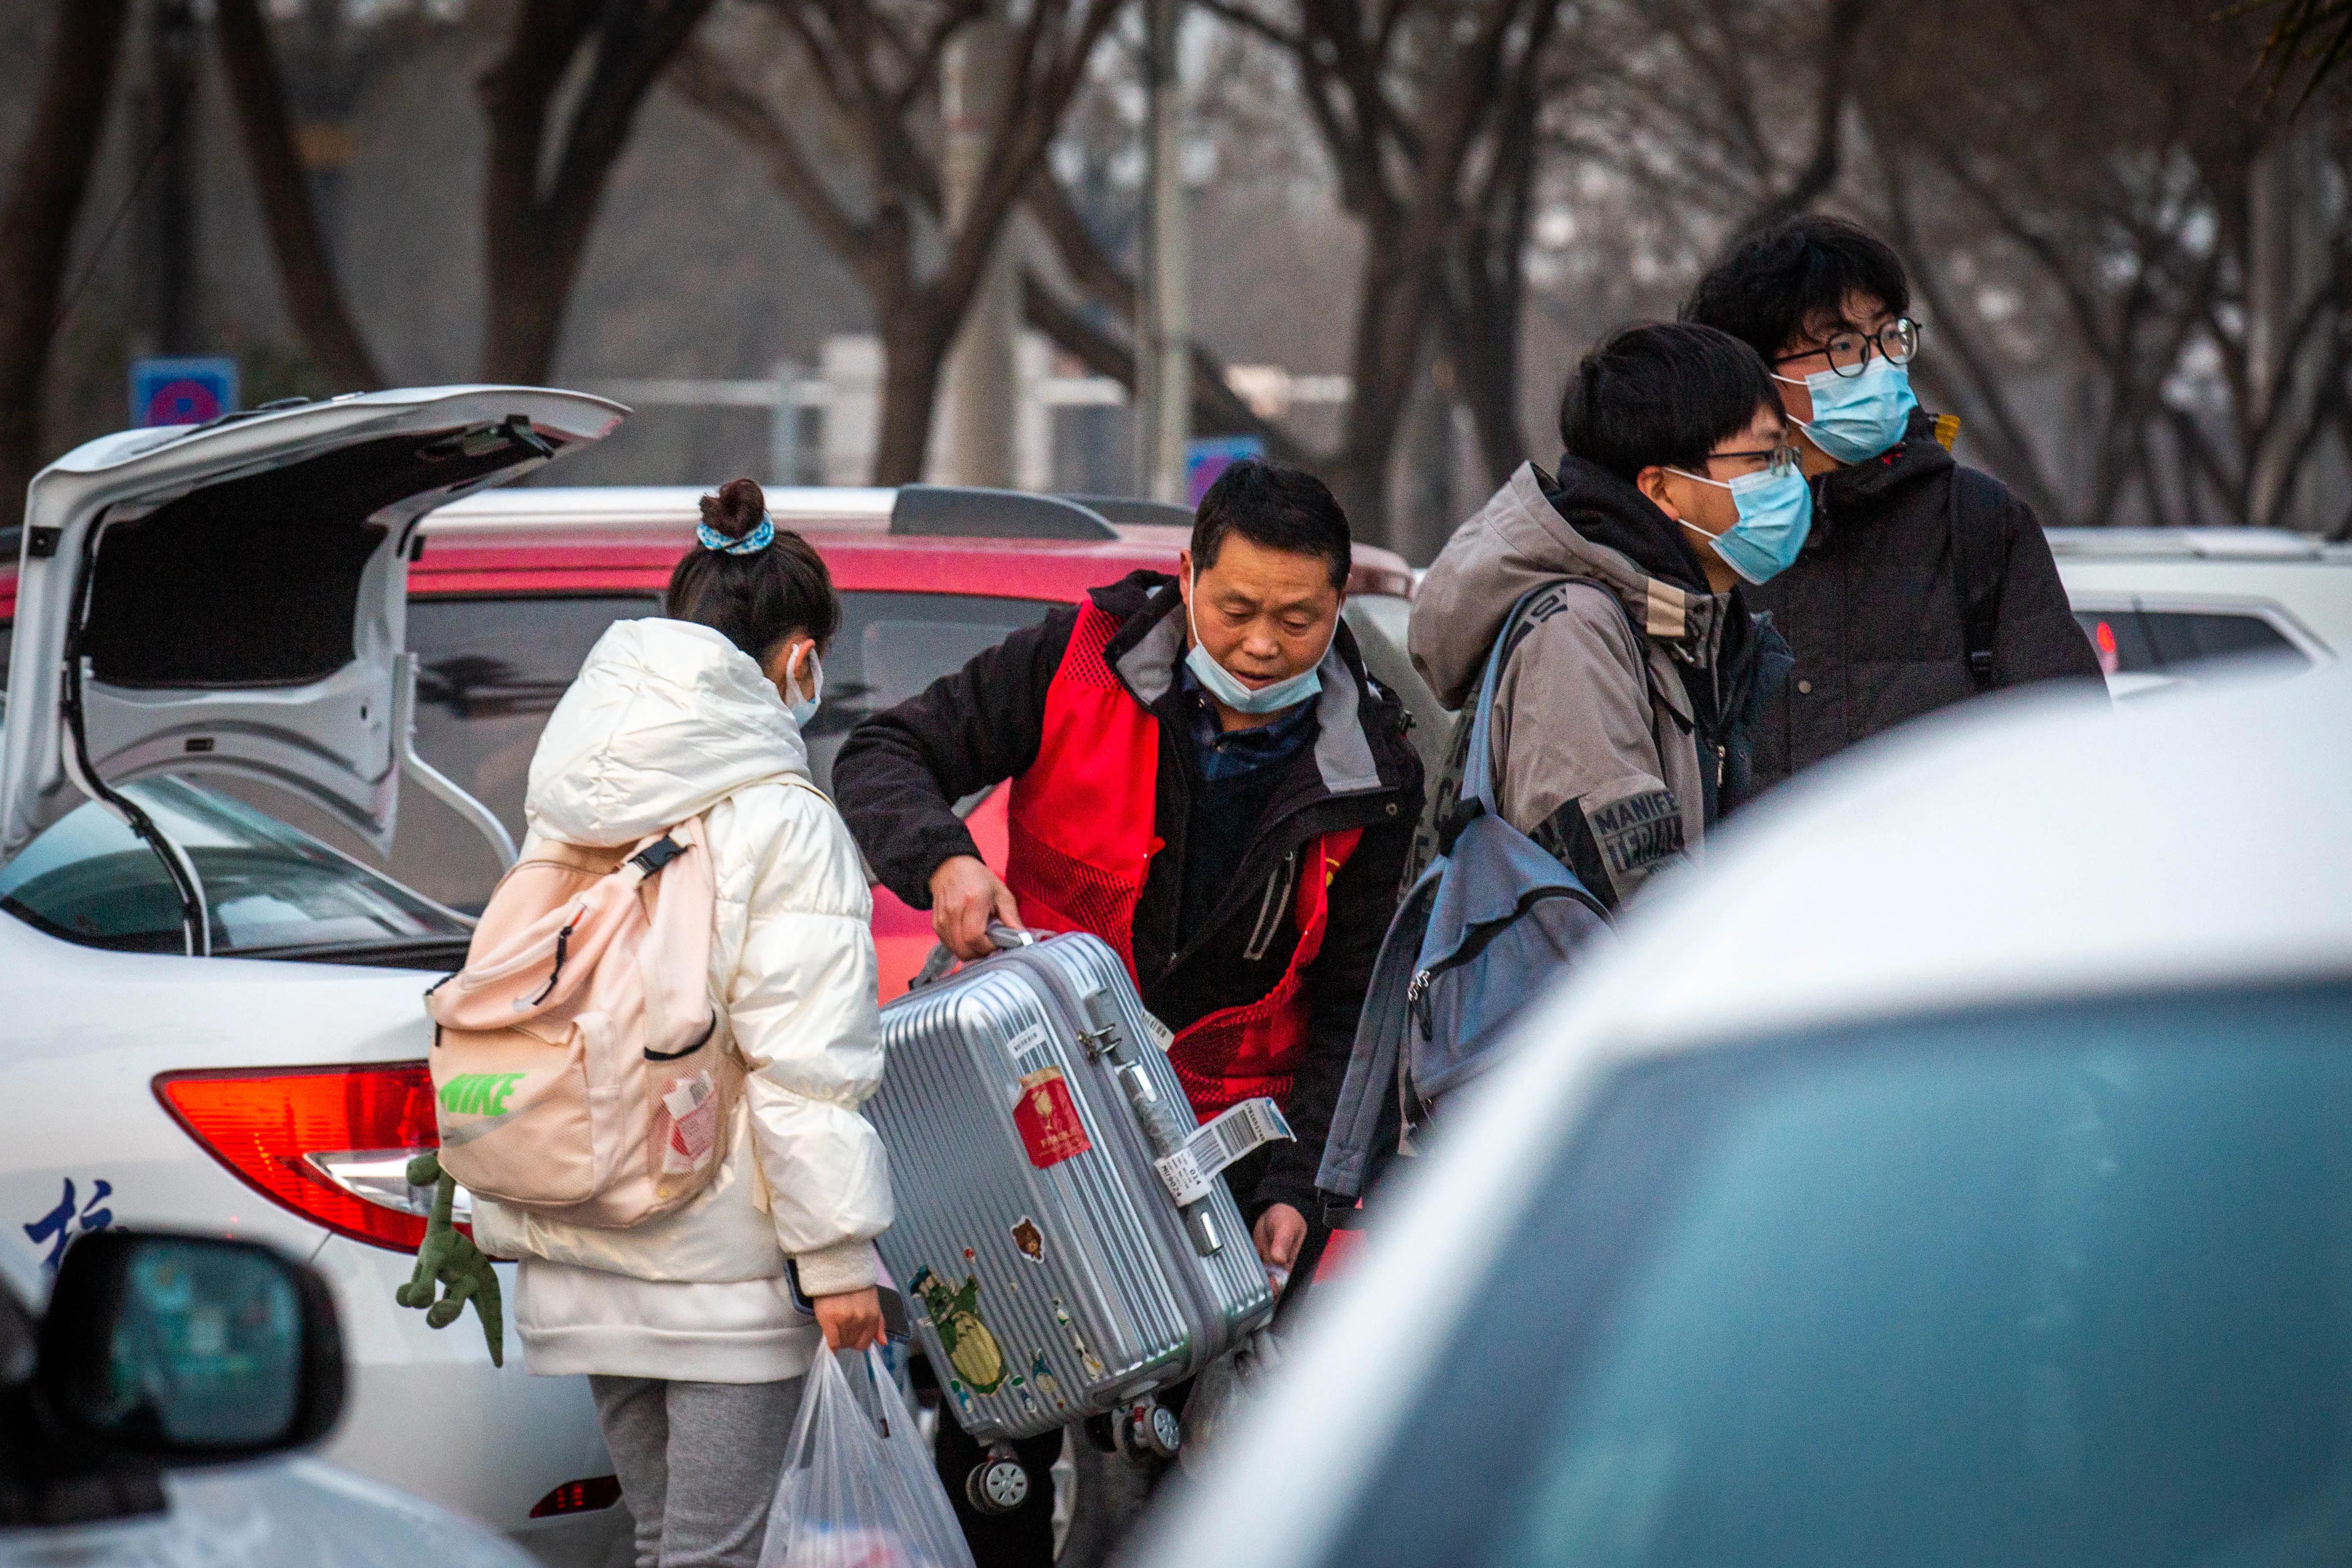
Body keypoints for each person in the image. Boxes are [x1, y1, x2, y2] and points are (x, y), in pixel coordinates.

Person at [833, 459, 1422, 1563]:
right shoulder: (1070, 663)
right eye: (1237, 609)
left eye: (1296, 620)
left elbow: (1354, 1005)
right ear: (1187, 576)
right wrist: (946, 861)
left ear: (1337, 607)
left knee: (1207, 1484)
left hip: (1228, 1147)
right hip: (1032, 1125)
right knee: (1002, 1435)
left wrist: (1300, 1186)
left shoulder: (1375, 766)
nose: (1260, 644)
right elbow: (884, 755)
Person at [476, 477, 892, 1568]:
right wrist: (839, 1254)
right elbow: (806, 1064)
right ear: (799, 657)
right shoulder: (783, 819)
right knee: (721, 1553)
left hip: (586, 1225)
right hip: (723, 1268)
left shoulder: (570, 794)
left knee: (666, 1541)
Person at [1682, 215, 2101, 792]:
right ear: (1758, 373)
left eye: (1887, 335)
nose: (1877, 363)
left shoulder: (1975, 521)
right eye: (1842, 346)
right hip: (1761, 884)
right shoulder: (1706, 530)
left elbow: (2073, 750)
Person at [1410, 322, 1796, 911]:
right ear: (1663, 489)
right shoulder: (1575, 633)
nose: (1787, 481)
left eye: (1785, 456)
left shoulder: (1694, 628)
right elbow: (1629, 888)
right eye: (1762, 459)